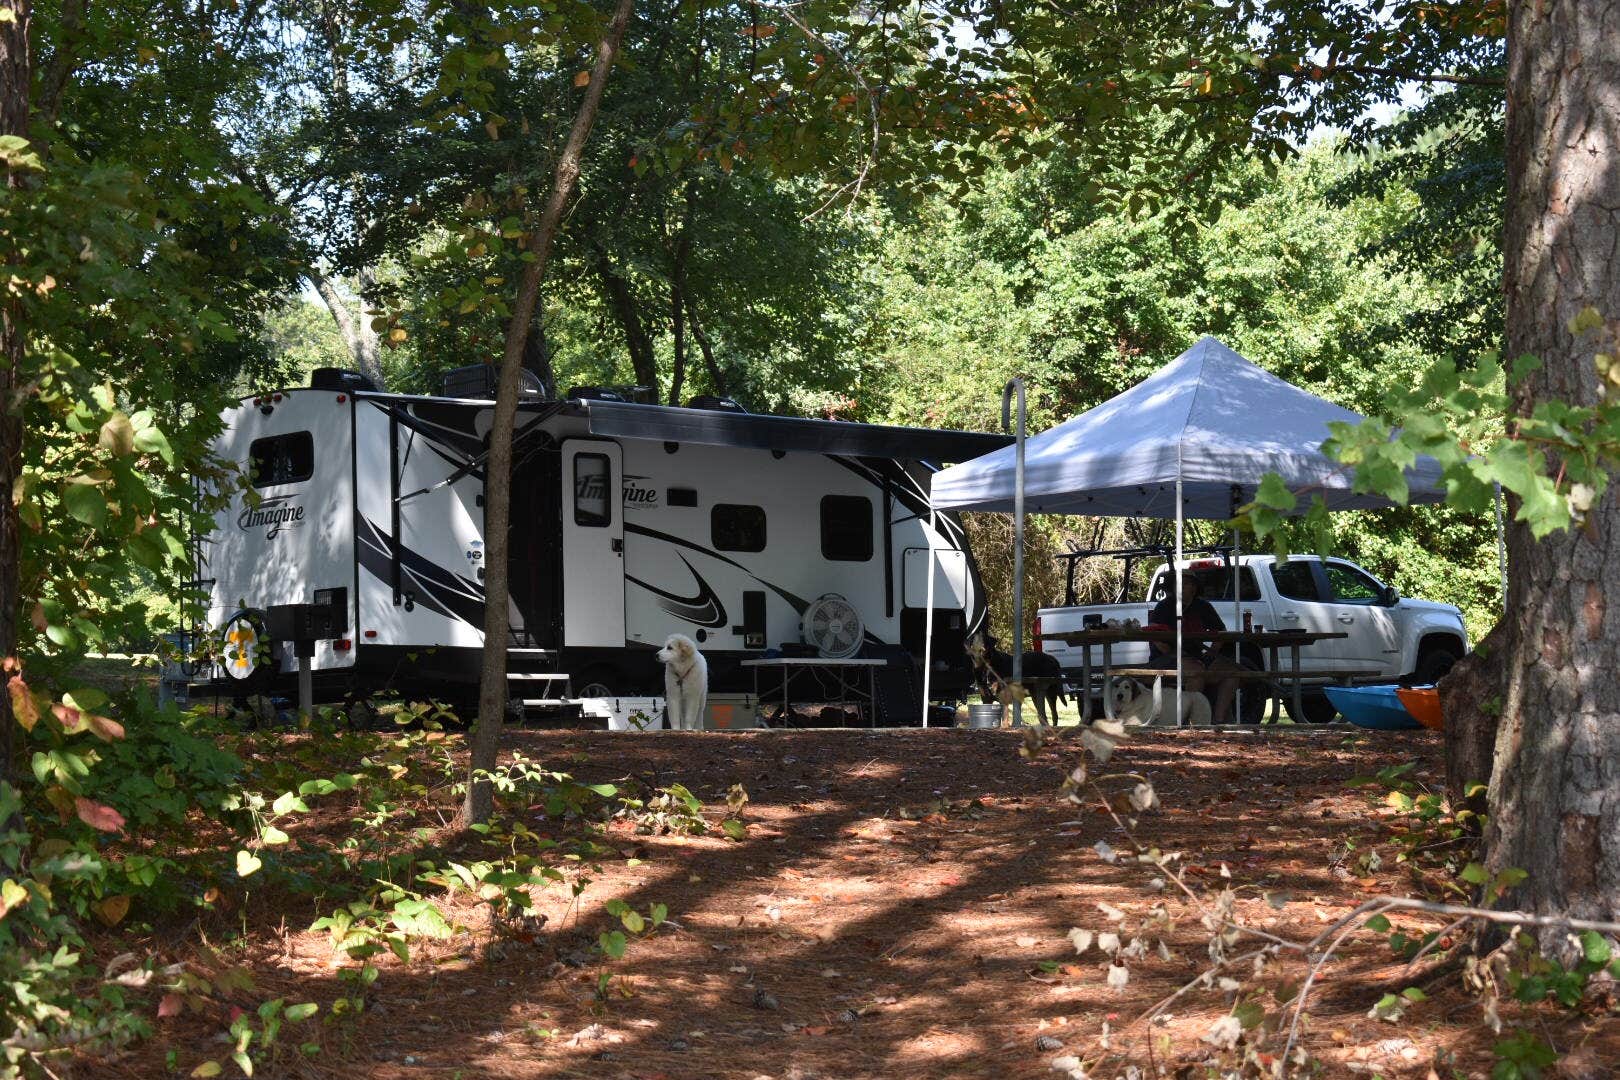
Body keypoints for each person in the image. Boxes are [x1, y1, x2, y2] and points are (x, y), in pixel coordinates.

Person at [1147, 570, 1243, 725]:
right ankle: (1192, 721)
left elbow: (1221, 632)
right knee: (1196, 672)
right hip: (1165, 660)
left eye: (1186, 583)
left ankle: (1217, 720)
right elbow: (1153, 634)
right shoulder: (1164, 606)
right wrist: (1172, 653)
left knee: (1232, 672)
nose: (1181, 587)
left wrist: (1210, 655)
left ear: (1194, 587)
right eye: (1178, 583)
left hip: (1197, 659)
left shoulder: (1203, 606)